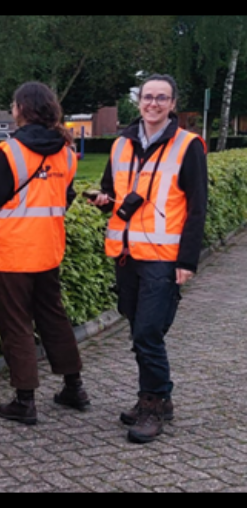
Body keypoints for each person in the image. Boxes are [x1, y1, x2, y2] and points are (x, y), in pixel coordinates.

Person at [89, 74, 207, 444]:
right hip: (126, 254)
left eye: (162, 98)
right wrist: (103, 199)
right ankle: (156, 398)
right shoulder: (122, 143)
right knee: (138, 329)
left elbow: (197, 208)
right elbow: (112, 188)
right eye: (147, 97)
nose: (153, 103)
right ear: (138, 101)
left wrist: (187, 262)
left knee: (148, 333)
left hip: (163, 258)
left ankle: (154, 403)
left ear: (173, 104)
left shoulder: (187, 146)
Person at [0, 81, 88, 426]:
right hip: (48, 249)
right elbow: (66, 197)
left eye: (13, 104)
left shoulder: (10, 152)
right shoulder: (67, 153)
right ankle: (74, 386)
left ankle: (24, 400)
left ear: (21, 110)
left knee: (16, 324)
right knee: (54, 317)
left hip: (12, 252)